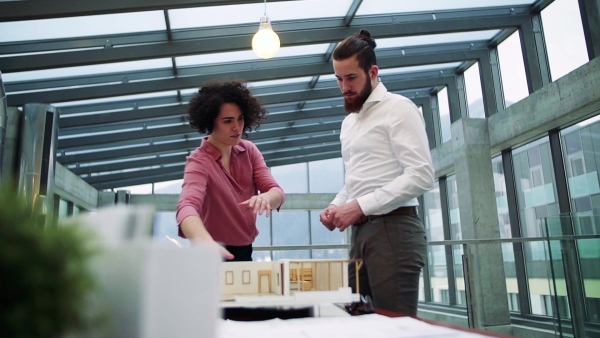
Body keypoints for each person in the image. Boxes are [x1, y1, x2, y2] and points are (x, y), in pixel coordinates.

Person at [319, 30, 434, 316]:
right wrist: (337, 206)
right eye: (339, 79)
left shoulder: (398, 109)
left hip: (394, 230)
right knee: (354, 321)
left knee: (393, 327)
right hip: (360, 234)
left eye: (351, 78)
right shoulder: (349, 123)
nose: (344, 86)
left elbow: (421, 174)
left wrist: (358, 206)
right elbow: (354, 182)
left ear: (372, 72)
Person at [176, 81, 285, 262]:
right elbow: (187, 206)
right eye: (228, 121)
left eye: (240, 118)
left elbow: (277, 193)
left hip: (245, 251)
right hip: (212, 252)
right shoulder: (199, 162)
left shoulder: (249, 150)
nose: (237, 127)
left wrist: (265, 198)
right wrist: (204, 241)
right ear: (210, 122)